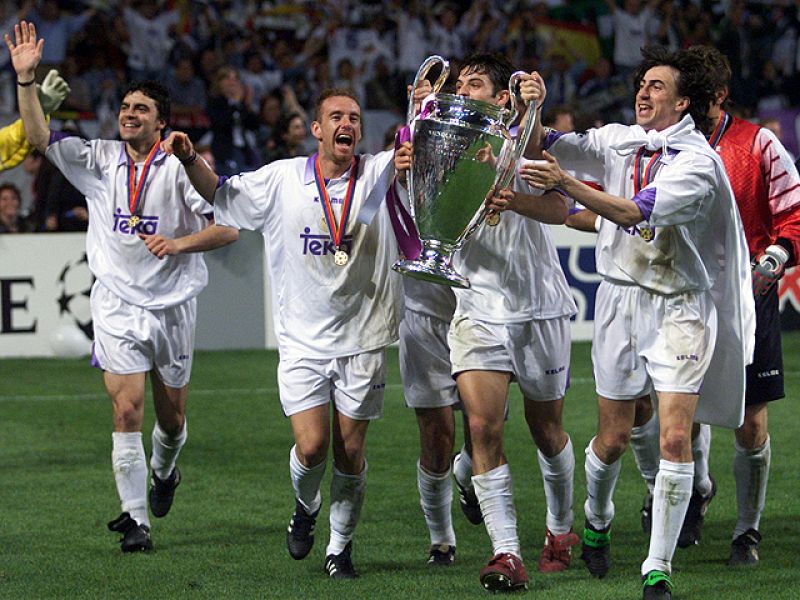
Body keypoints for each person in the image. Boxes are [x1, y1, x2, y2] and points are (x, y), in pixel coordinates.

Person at [519, 45, 754, 600]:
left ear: (684, 102)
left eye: (655, 86)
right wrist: (532, 109)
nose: (642, 93)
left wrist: (566, 184)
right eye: (642, 84)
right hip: (621, 303)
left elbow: (632, 213)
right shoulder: (622, 140)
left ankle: (658, 568)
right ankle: (596, 518)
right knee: (613, 439)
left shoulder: (698, 163)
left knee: (675, 436)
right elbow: (541, 147)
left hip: (679, 308)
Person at [7, 21, 239, 552]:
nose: (128, 115)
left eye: (141, 110)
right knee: (126, 409)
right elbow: (39, 138)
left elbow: (229, 226)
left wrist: (179, 245)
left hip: (174, 305)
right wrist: (26, 81)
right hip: (115, 302)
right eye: (126, 107)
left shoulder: (183, 167)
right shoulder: (98, 160)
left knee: (173, 421)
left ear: (161, 123)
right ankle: (136, 520)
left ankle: (165, 471)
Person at [161, 87, 409, 580]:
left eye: (355, 118)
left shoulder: (381, 173)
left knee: (352, 452)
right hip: (302, 342)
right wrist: (190, 159)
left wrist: (420, 118)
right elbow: (219, 194)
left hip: (363, 337)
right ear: (316, 129)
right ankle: (306, 503)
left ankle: (340, 548)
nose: (348, 124)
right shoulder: (281, 179)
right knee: (313, 447)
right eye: (336, 116)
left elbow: (415, 159)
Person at [396, 53, 580, 591]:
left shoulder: (521, 145)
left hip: (537, 306)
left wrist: (533, 117)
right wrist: (414, 141)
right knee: (481, 427)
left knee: (546, 430)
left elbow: (559, 209)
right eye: (458, 84)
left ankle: (560, 528)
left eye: (474, 83)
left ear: (502, 98)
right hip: (476, 307)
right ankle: (507, 553)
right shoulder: (442, 149)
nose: (462, 90)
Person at [627, 45, 800, 567]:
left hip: (745, 296)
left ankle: (746, 531)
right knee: (678, 419)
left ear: (716, 97)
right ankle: (696, 492)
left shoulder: (758, 144)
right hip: (677, 295)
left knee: (749, 423)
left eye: (696, 95)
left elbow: (793, 216)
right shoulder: (656, 144)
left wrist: (768, 265)